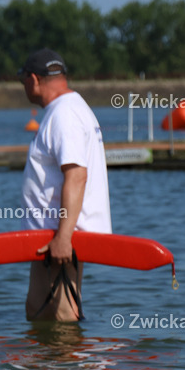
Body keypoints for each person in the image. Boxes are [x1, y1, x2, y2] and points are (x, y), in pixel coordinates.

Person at [18, 48, 111, 321]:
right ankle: (53, 363)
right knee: (38, 310)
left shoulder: (64, 115)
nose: (23, 86)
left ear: (34, 79)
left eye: (22, 79)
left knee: (61, 313)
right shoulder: (69, 108)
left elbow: (76, 175)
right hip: (50, 238)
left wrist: (64, 237)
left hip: (60, 238)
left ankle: (70, 364)